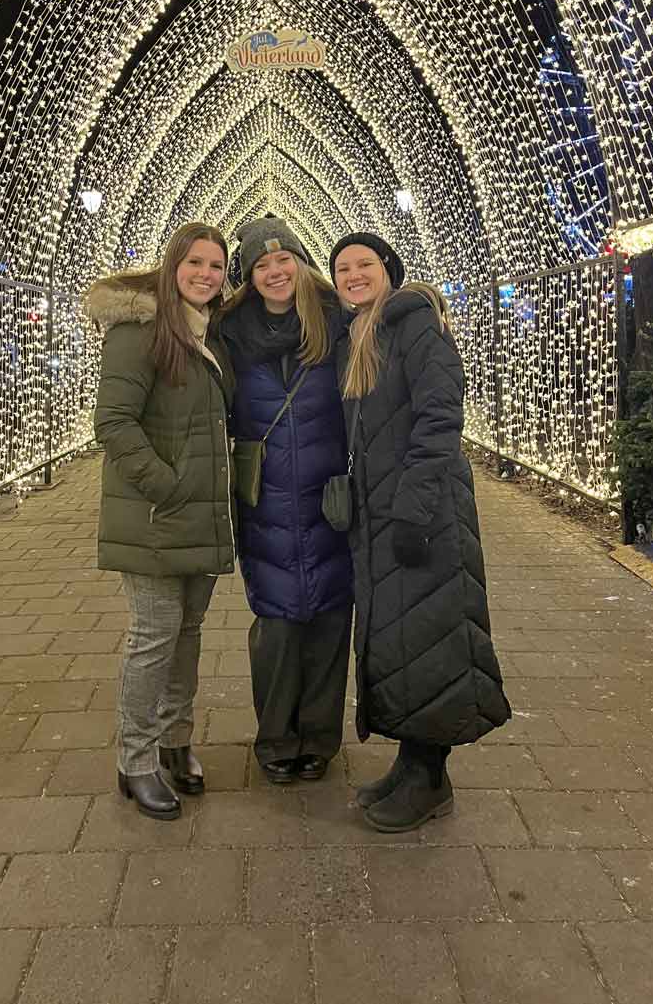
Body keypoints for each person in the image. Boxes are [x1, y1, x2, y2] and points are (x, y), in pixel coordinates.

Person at [329, 232, 510, 833]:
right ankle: (413, 765)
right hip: (385, 513)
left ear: (388, 269)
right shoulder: (362, 334)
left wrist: (411, 509)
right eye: (342, 268)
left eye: (364, 265)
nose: (353, 275)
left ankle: (430, 779)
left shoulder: (414, 326)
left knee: (434, 639)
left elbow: (440, 417)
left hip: (423, 512)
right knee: (403, 640)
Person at [86, 223, 235, 821]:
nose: (205, 274)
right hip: (156, 515)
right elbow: (114, 422)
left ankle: (176, 742)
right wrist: (166, 488)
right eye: (195, 262)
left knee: (188, 632)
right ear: (172, 265)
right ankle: (136, 759)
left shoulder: (206, 334)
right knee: (154, 636)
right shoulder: (138, 331)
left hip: (201, 515)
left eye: (217, 266)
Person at [218, 216, 353, 784]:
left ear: (302, 263)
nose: (275, 271)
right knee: (276, 622)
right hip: (265, 499)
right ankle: (276, 740)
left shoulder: (337, 324)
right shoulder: (227, 334)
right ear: (248, 277)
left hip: (330, 498)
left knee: (327, 617)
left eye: (284, 259)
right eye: (261, 264)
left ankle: (319, 739)